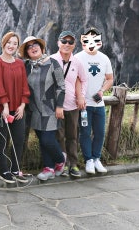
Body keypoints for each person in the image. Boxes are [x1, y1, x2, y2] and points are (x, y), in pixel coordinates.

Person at [22, 35, 66, 181]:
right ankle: (49, 168)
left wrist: (60, 106)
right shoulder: (26, 66)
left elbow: (61, 86)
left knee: (48, 140)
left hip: (51, 108)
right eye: (29, 46)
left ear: (41, 48)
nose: (33, 48)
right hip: (34, 110)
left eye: (35, 45)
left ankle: (60, 158)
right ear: (26, 52)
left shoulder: (53, 63)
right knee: (42, 140)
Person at [0, 31, 31, 184]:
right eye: (9, 42)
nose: (12, 46)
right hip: (2, 109)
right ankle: (3, 170)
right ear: (4, 43)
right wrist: (5, 107)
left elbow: (24, 87)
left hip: (18, 108)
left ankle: (15, 168)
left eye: (15, 43)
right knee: (2, 140)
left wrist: (22, 105)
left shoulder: (20, 63)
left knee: (19, 139)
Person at [76, 26, 114, 175]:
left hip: (99, 104)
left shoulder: (104, 58)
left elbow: (110, 79)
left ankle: (97, 158)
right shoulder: (78, 58)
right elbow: (76, 79)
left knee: (99, 132)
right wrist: (79, 97)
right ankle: (88, 160)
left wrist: (102, 90)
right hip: (84, 104)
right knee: (85, 132)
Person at [50, 30, 87, 178]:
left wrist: (81, 97)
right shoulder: (51, 60)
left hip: (72, 105)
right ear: (58, 43)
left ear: (74, 45)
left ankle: (73, 164)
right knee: (59, 136)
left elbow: (83, 79)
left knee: (72, 136)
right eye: (64, 41)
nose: (67, 44)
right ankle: (62, 164)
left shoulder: (77, 62)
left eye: (70, 42)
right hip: (56, 106)